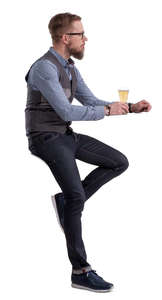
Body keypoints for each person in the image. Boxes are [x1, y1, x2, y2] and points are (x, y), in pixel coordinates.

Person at [24, 12, 152, 293]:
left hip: (65, 135)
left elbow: (90, 101)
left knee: (118, 162)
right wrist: (106, 111)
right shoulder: (44, 68)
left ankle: (67, 203)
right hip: (45, 137)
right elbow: (67, 110)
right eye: (80, 34)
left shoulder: (70, 67)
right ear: (64, 37)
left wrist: (129, 108)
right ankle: (80, 270)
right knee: (75, 198)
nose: (85, 39)